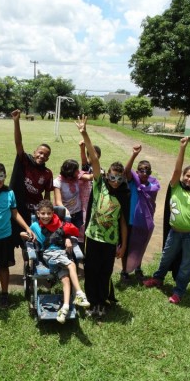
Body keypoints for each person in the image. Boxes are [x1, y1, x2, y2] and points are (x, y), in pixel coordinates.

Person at [143, 137, 190, 304]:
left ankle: (179, 291)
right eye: (188, 175)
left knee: (186, 265)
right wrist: (182, 148)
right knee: (166, 257)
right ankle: (158, 278)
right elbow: (177, 169)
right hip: (175, 232)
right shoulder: (175, 186)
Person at [76, 116, 129, 318]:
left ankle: (101, 301)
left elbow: (123, 222)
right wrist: (84, 133)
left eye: (119, 178)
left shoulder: (124, 194)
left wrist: (123, 245)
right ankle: (91, 302)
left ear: (122, 178)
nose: (115, 181)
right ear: (107, 176)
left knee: (104, 272)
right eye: (112, 177)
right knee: (90, 271)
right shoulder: (99, 185)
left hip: (110, 240)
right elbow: (95, 160)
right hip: (93, 236)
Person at [0, 142, 35, 308]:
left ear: (5, 175)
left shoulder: (10, 192)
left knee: (4, 267)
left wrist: (27, 227)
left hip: (5, 236)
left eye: (1, 176)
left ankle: (4, 295)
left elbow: (14, 212)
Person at [21, 199, 90, 324]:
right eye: (43, 213)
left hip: (61, 253)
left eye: (48, 213)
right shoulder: (35, 226)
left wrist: (68, 239)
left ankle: (64, 308)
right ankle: (80, 293)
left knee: (66, 279)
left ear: (53, 213)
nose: (46, 216)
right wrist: (25, 235)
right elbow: (25, 235)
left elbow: (66, 233)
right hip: (49, 254)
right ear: (38, 214)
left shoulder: (58, 224)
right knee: (72, 264)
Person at [10, 109, 54, 252]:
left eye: (45, 155)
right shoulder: (26, 161)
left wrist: (46, 210)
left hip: (34, 211)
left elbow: (47, 195)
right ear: (35, 152)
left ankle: (29, 267)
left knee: (32, 239)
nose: (42, 156)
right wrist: (16, 122)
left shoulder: (47, 174)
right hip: (18, 206)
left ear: (48, 158)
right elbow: (18, 143)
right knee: (13, 236)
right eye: (40, 153)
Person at [120, 145, 160, 282]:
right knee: (127, 245)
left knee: (140, 247)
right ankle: (124, 271)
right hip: (131, 220)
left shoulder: (153, 186)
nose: (144, 172)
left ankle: (137, 268)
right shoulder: (133, 182)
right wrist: (134, 154)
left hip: (144, 222)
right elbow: (126, 171)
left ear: (151, 172)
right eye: (141, 170)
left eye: (147, 170)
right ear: (137, 172)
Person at [53, 159, 92, 231]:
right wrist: (66, 212)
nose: (78, 171)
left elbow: (90, 177)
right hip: (65, 215)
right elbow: (58, 201)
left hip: (77, 214)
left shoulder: (77, 177)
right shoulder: (57, 182)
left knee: (76, 235)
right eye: (76, 170)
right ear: (70, 172)